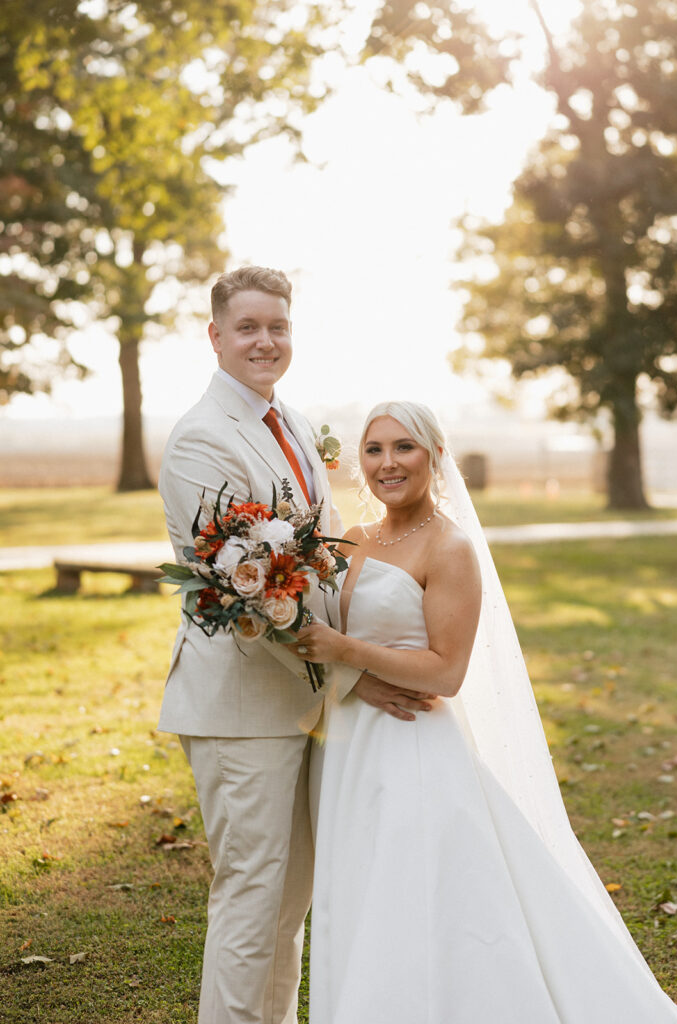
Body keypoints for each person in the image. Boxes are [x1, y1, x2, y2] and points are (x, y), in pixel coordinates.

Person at [293, 400, 677, 1023]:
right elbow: (316, 633)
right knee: (360, 891)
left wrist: (346, 650)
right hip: (348, 744)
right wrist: (354, 676)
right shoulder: (350, 539)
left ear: (434, 455)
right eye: (374, 449)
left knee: (414, 894)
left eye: (404, 447)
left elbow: (446, 671)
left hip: (414, 746)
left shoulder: (449, 548)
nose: (387, 463)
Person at [157, 270, 434, 1024]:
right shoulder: (200, 442)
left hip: (300, 701)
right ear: (215, 337)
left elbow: (318, 560)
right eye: (247, 327)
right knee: (253, 896)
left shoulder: (295, 422)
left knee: (287, 904)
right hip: (241, 705)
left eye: (277, 326)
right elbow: (252, 595)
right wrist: (353, 674)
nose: (265, 341)